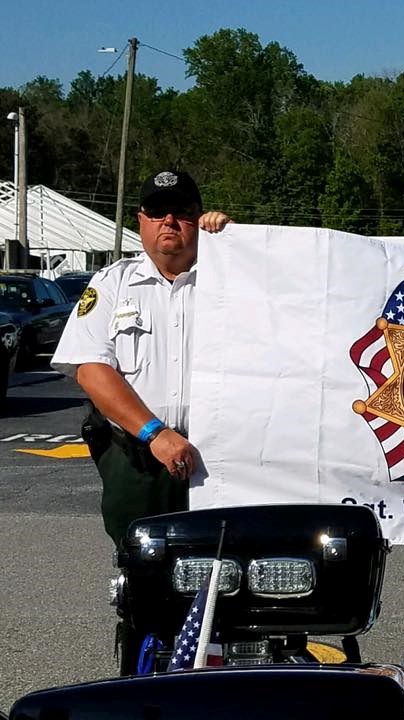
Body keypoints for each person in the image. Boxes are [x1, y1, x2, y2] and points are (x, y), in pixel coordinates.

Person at [51, 169, 231, 548]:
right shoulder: (112, 283)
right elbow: (90, 369)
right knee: (143, 574)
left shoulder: (233, 280)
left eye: (181, 211)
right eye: (156, 211)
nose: (168, 220)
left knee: (225, 573)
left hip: (222, 458)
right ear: (141, 220)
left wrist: (237, 243)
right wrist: (155, 433)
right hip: (139, 458)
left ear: (198, 218)